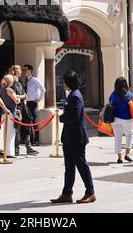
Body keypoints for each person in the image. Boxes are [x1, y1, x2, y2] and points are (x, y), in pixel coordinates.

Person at [51, 71, 96, 204]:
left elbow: (74, 116)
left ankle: (90, 192)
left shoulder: (75, 96)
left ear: (69, 82)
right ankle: (67, 193)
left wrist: (62, 117)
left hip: (76, 137)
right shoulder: (72, 94)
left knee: (81, 165)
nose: (63, 83)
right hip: (69, 137)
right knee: (69, 167)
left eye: (65, 81)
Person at [10, 65, 38, 156]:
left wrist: (23, 97)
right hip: (16, 107)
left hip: (23, 106)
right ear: (14, 71)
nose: (21, 71)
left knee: (28, 125)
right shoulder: (12, 82)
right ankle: (16, 149)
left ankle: (28, 147)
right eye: (19, 70)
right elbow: (12, 94)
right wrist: (23, 96)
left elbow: (24, 93)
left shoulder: (20, 81)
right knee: (17, 127)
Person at [109, 77, 133, 163]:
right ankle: (127, 154)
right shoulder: (129, 94)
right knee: (129, 135)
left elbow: (110, 105)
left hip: (116, 119)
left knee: (118, 138)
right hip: (127, 119)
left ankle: (119, 157)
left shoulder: (113, 95)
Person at [24, 64, 46, 145]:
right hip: (26, 102)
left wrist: (39, 99)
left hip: (32, 102)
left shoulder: (34, 80)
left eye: (26, 70)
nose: (24, 72)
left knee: (34, 120)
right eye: (24, 70)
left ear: (30, 70)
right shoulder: (25, 80)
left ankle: (36, 140)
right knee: (27, 121)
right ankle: (29, 140)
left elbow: (43, 89)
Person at [0, 75, 20, 158]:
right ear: (10, 81)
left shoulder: (2, 90)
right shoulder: (9, 90)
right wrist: (19, 99)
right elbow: (16, 101)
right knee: (11, 133)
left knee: (6, 132)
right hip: (11, 112)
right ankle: (10, 152)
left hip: (4, 113)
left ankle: (7, 151)